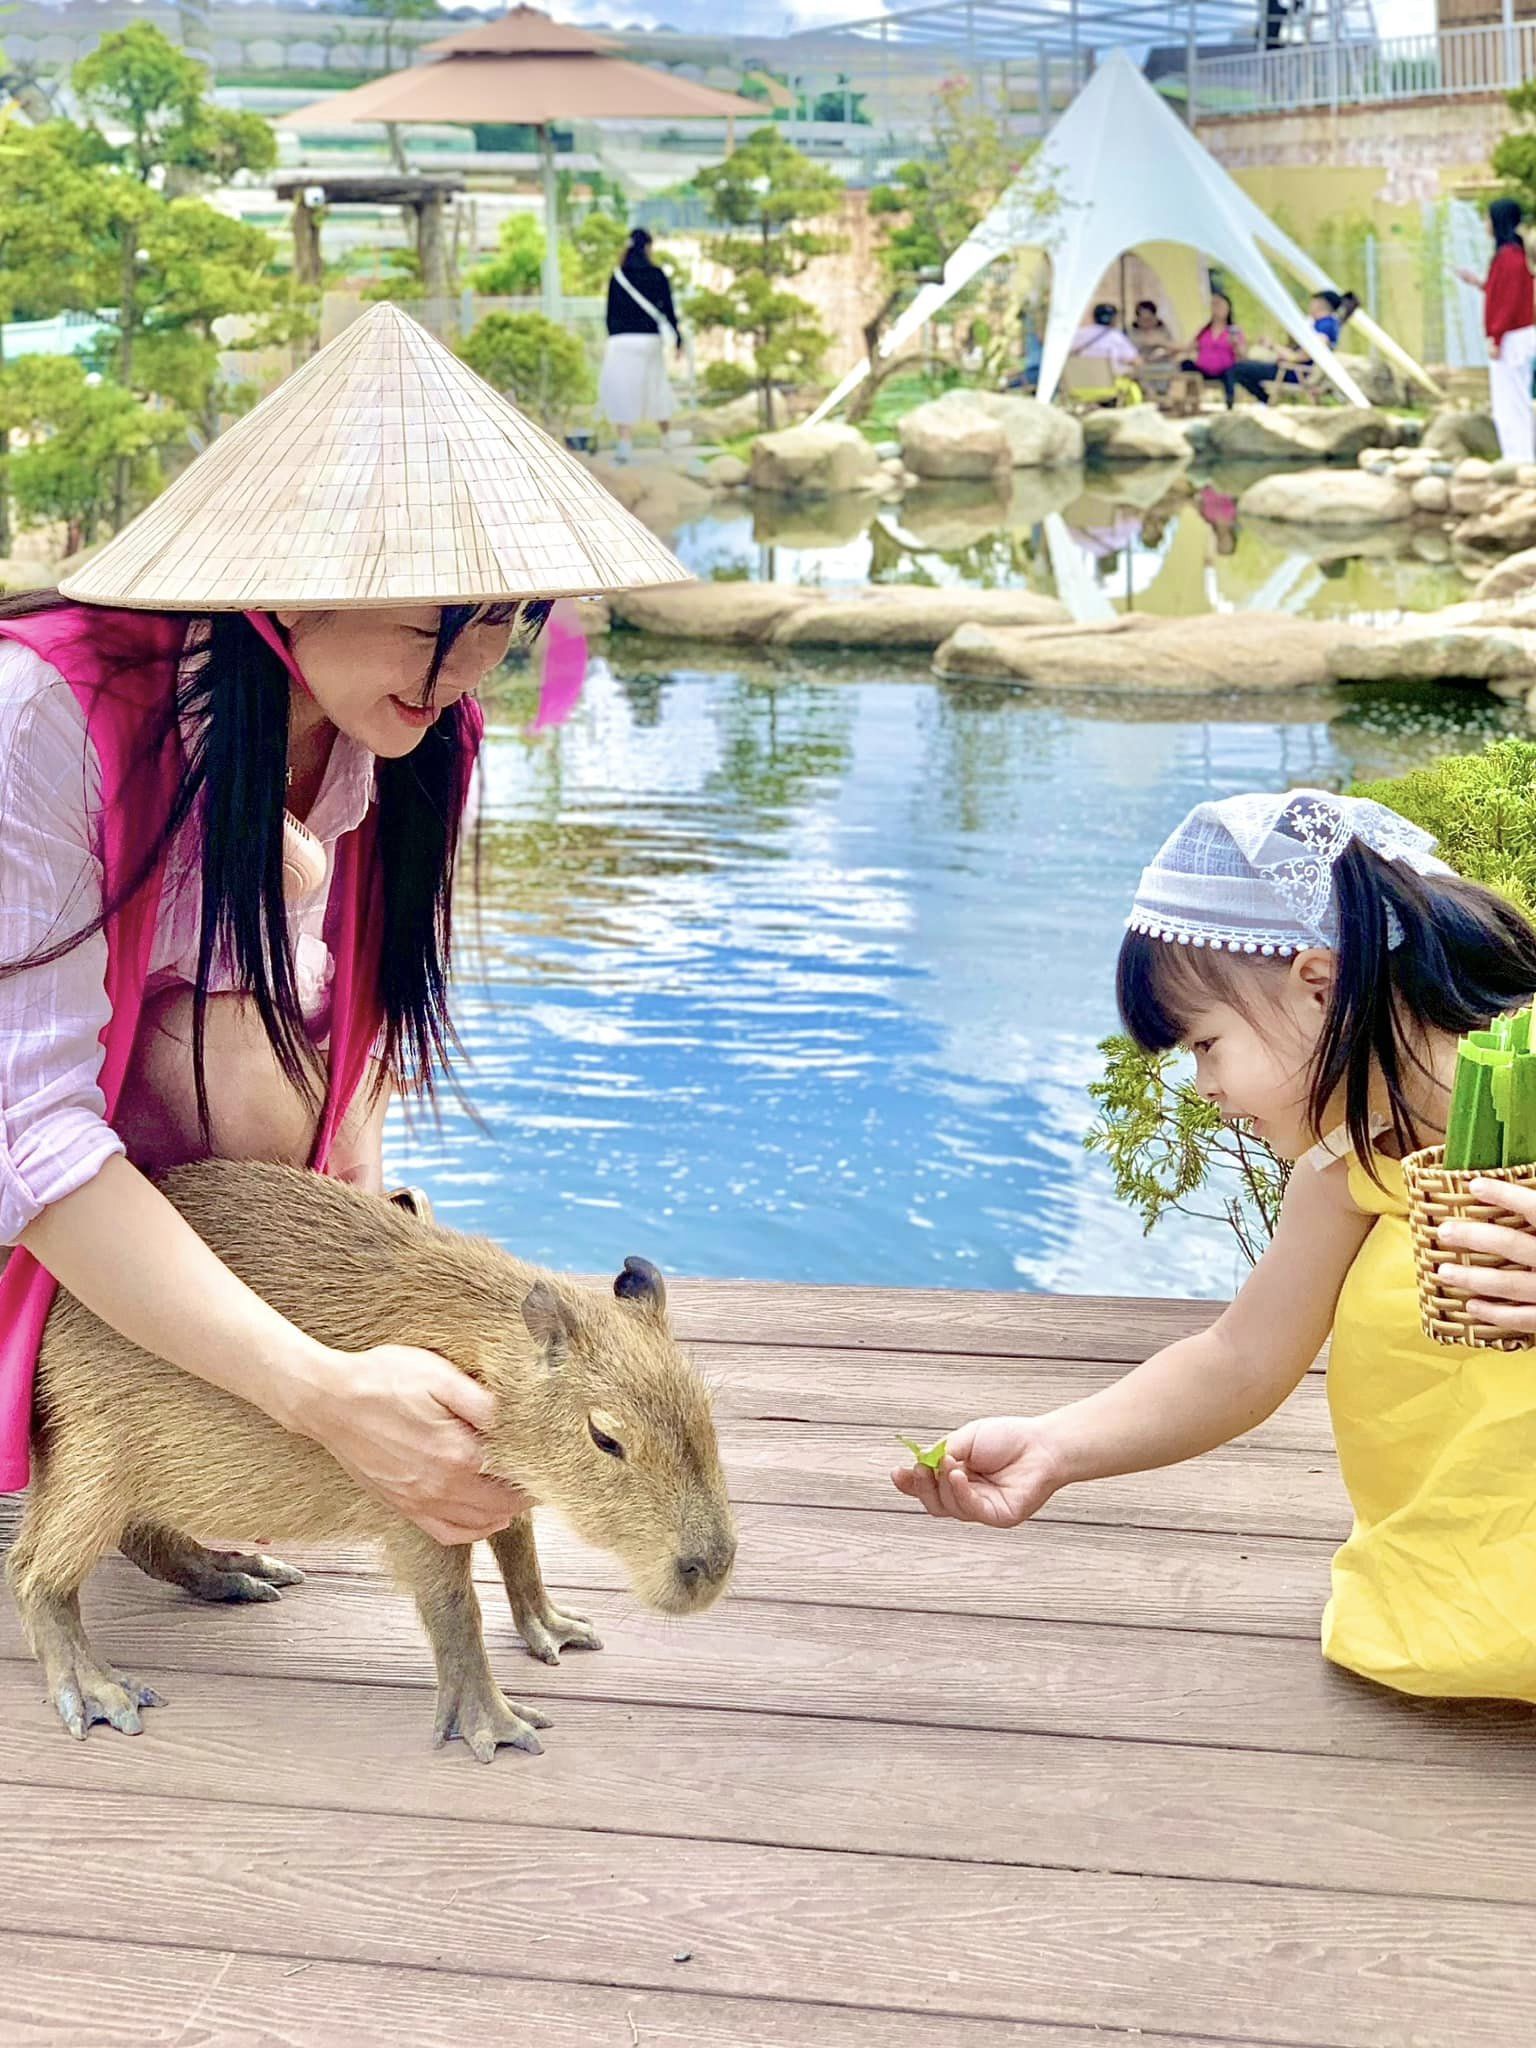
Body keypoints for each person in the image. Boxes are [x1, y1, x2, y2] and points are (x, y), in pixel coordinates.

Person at [0, 300, 684, 1547]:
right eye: (445, 615)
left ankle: (176, 1446)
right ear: (290, 583)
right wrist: (315, 1392)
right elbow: (24, 1131)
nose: (479, 662)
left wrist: (376, 1309)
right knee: (239, 1067)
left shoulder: (415, 724)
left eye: (513, 616)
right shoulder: (47, 712)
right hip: (36, 1212)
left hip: (208, 1200)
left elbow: (360, 1030)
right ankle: (97, 1426)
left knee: (280, 1081)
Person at [893, 786, 1536, 1705]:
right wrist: (1052, 1445)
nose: (1202, 1086)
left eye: (1206, 1043)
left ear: (1319, 987)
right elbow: (1240, 1360)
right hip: (1431, 1642)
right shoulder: (1350, 1160)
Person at [1456, 198, 1535, 465]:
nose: (1485, 224)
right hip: (1515, 334)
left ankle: (1519, 456)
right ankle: (1517, 453)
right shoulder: (1511, 256)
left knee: (1511, 399)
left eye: (1488, 219)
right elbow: (1500, 293)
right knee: (1511, 397)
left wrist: (1496, 336)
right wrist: (1479, 283)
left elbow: (1509, 302)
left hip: (1512, 336)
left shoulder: (1510, 257)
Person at [600, 227, 683, 464]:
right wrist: (678, 338)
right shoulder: (657, 274)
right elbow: (668, 309)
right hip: (649, 339)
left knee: (622, 389)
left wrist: (614, 336)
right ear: (648, 247)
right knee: (656, 386)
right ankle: (666, 437)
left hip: (621, 341)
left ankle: (625, 443)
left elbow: (610, 312)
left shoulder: (618, 275)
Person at [1181, 291, 1277, 407]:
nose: (1217, 309)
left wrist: (1236, 344)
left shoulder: (1233, 331)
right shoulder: (1204, 331)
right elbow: (1189, 347)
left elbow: (1243, 355)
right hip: (1204, 370)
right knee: (1185, 364)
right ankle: (1189, 403)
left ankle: (1231, 403)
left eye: (1220, 305)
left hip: (1225, 371)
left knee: (1234, 371)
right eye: (1214, 305)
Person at [1069, 303, 1143, 404]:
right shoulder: (1116, 336)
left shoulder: (1077, 335)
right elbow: (1136, 361)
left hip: (1076, 388)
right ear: (1113, 319)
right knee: (1133, 387)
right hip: (1108, 388)